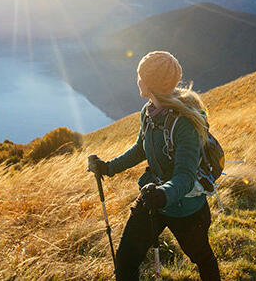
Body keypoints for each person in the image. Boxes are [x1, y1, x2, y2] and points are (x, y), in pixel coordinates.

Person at [88, 51, 221, 281]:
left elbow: (185, 176)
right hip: (153, 199)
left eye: (141, 76)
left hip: (186, 208)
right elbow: (141, 148)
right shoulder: (149, 111)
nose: (138, 80)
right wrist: (108, 168)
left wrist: (163, 194)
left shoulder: (184, 124)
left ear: (150, 83)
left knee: (202, 258)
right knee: (125, 261)